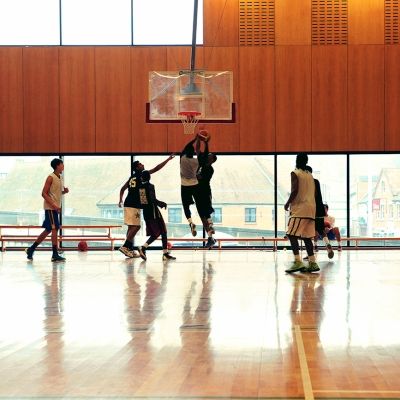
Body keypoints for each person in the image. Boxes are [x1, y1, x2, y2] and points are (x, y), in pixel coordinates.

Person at [118, 155, 174, 258]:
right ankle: (126, 246)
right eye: (140, 164)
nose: (142, 164)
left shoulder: (132, 177)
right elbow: (157, 168)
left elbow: (122, 189)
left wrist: (120, 200)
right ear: (137, 168)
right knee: (137, 226)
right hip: (134, 204)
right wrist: (168, 159)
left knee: (131, 227)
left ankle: (129, 248)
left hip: (128, 203)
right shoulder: (142, 176)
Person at [25, 158, 69, 262]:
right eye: (62, 164)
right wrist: (54, 205)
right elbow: (43, 193)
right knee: (54, 229)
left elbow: (55, 193)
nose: (63, 166)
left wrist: (64, 192)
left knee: (49, 230)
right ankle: (54, 254)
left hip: (54, 208)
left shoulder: (60, 177)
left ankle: (31, 249)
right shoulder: (50, 177)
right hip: (50, 208)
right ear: (57, 165)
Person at [284, 153, 319, 273]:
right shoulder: (310, 175)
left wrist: (288, 203)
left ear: (297, 160)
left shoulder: (295, 173)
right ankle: (313, 262)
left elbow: (294, 190)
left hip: (300, 209)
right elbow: (314, 194)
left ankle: (298, 261)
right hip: (311, 209)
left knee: (291, 234)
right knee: (306, 237)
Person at [137, 170, 176, 261]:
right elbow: (152, 199)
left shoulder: (140, 187)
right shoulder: (150, 186)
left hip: (146, 213)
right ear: (149, 177)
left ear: (142, 178)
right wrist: (161, 203)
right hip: (153, 212)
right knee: (160, 232)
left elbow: (143, 202)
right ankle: (143, 248)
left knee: (161, 232)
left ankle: (164, 253)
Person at [305, 166, 334, 259]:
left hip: (310, 208)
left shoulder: (305, 183)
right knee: (321, 229)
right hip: (319, 208)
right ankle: (327, 244)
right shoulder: (316, 181)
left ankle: (310, 254)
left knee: (308, 231)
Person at [195, 131, 217, 249]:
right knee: (202, 216)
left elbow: (199, 177)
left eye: (210, 155)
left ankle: (211, 227)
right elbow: (198, 149)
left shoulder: (210, 169)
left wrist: (207, 144)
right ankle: (210, 237)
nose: (207, 155)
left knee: (206, 212)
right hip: (197, 192)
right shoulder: (201, 161)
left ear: (212, 160)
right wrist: (198, 139)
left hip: (205, 191)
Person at [180, 137, 200, 237]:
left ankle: (190, 222)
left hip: (184, 186)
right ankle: (206, 221)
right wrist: (201, 141)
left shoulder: (182, 158)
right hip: (195, 185)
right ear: (194, 153)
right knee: (199, 204)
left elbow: (186, 146)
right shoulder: (196, 161)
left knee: (185, 206)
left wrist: (195, 138)